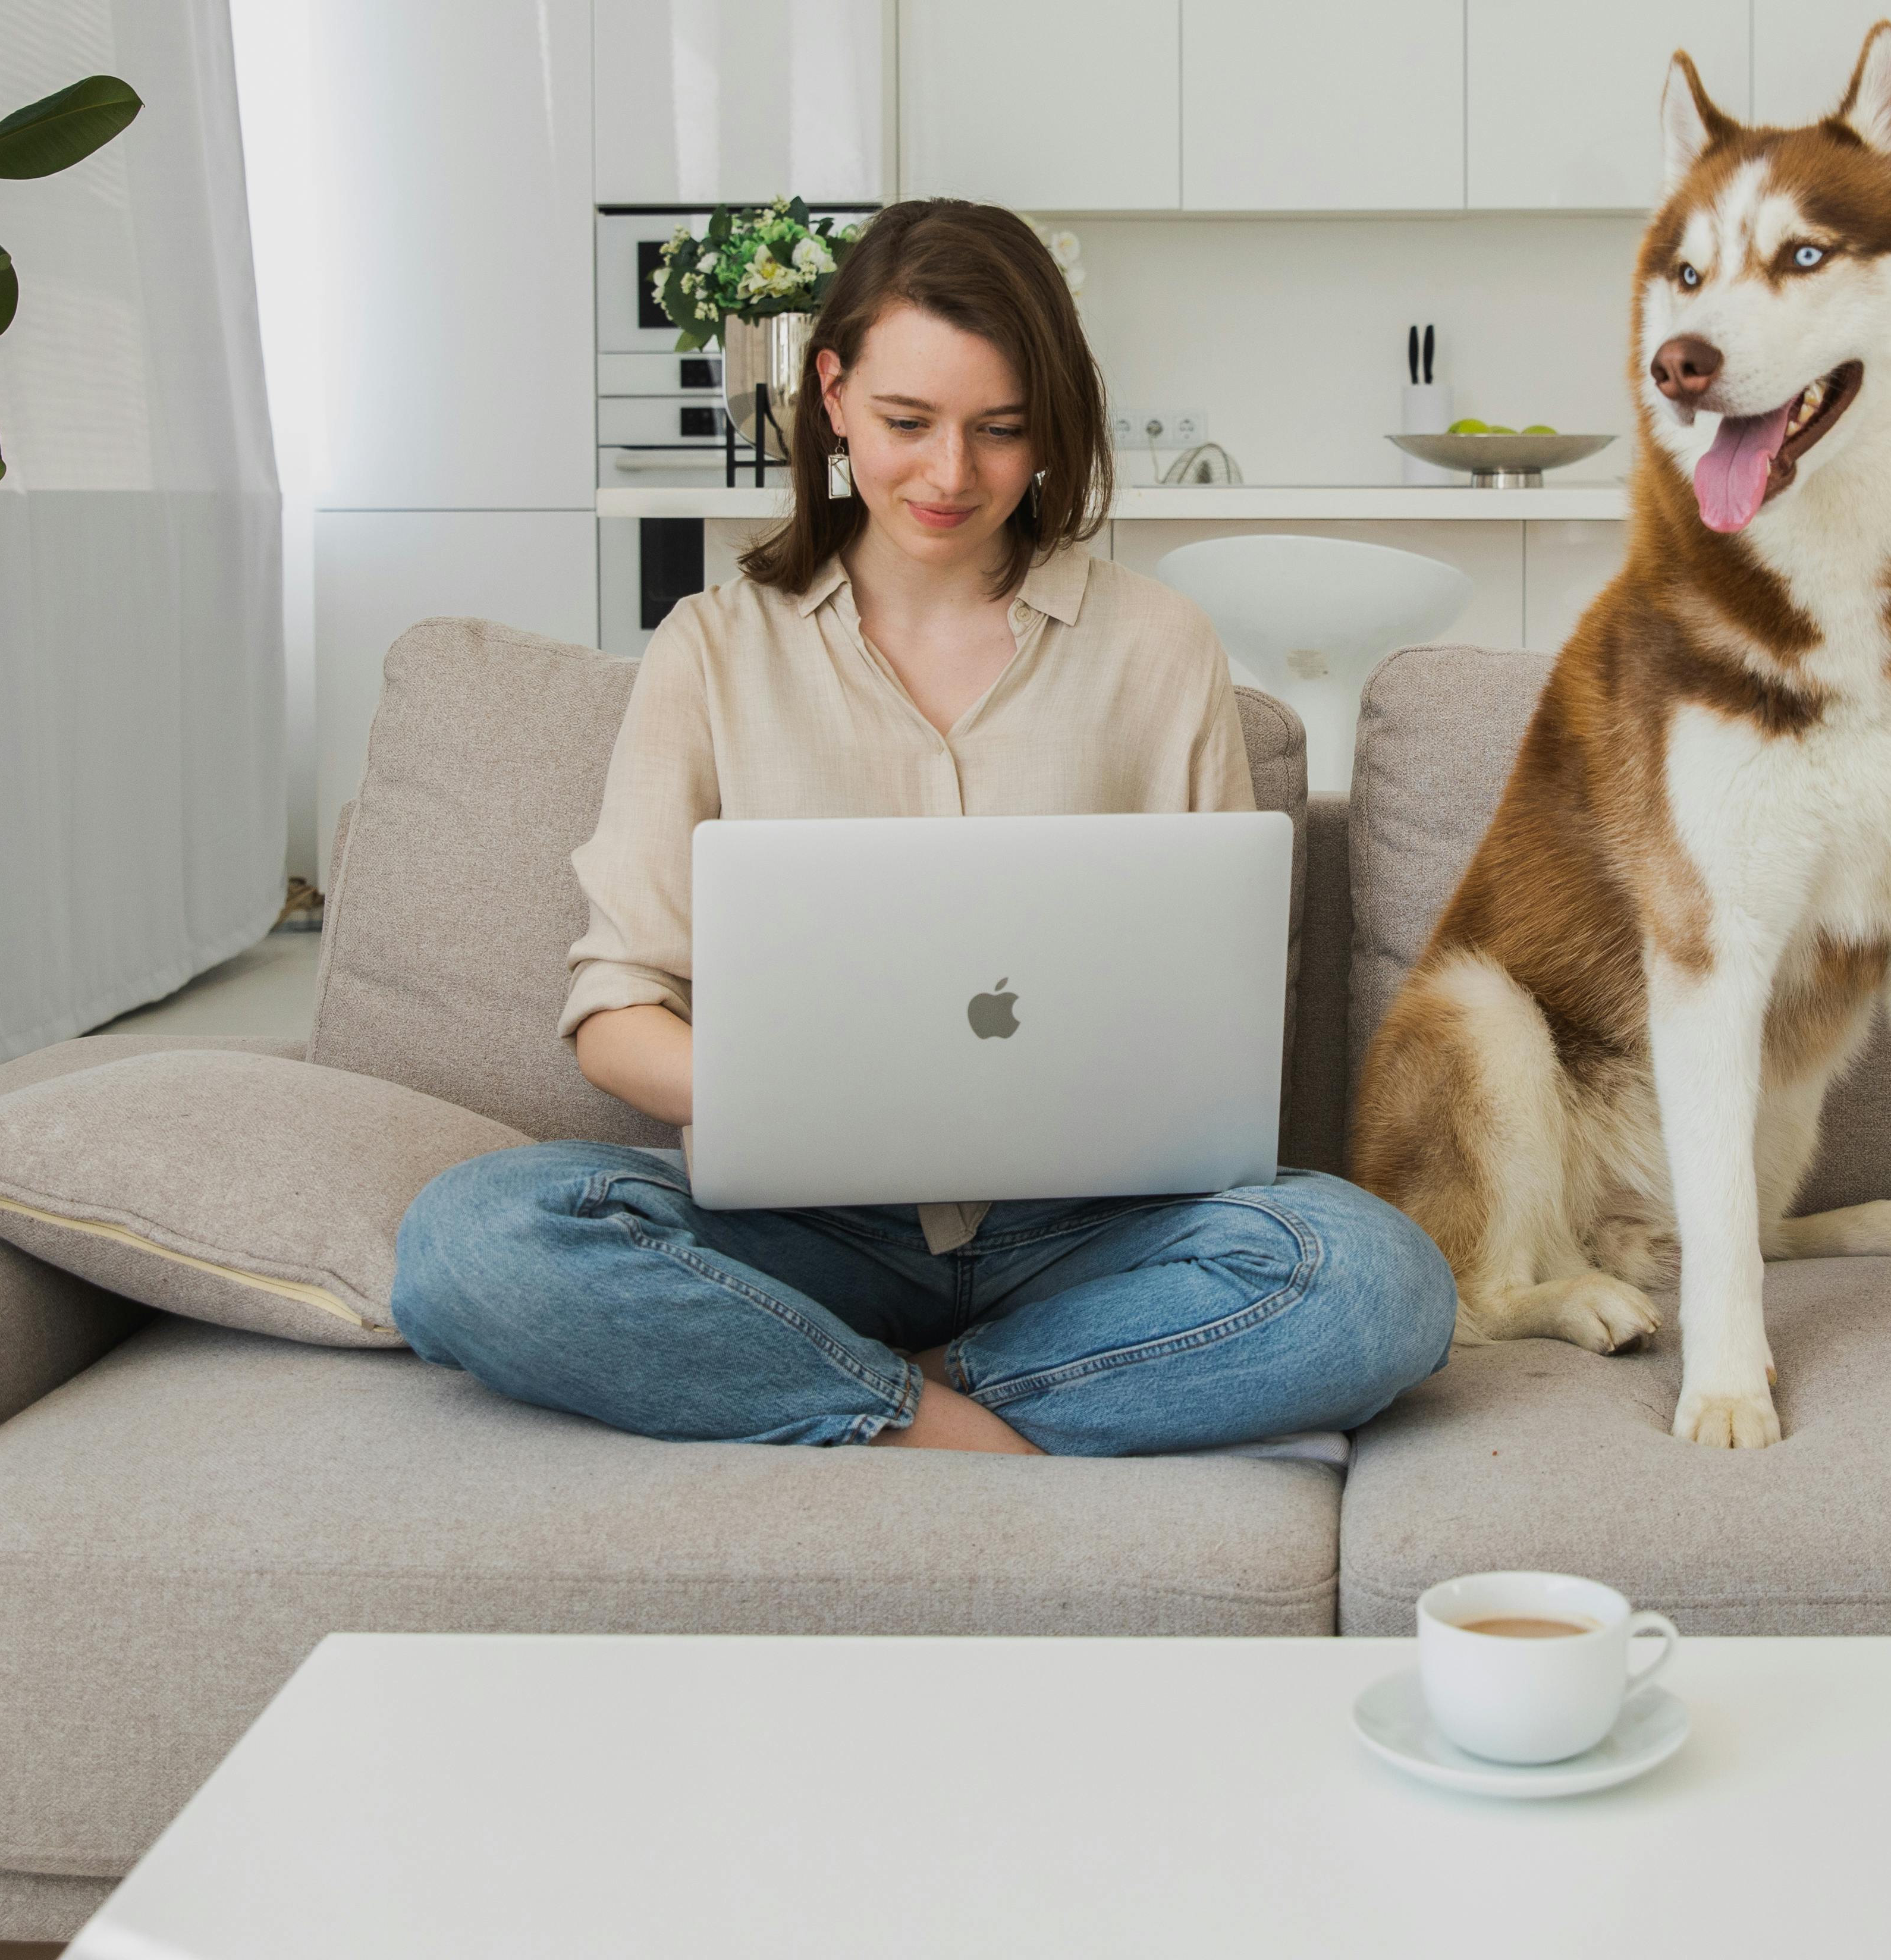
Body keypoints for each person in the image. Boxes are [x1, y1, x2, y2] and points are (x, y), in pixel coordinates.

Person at [390, 200, 1457, 1453]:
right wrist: (801, 1095)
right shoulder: (715, 648)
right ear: (832, 393)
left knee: (1376, 1283)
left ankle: (861, 1380)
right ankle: (960, 1420)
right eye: (908, 423)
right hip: (807, 1224)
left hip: (1091, 1226)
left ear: (1052, 425)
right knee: (472, 1237)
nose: (951, 476)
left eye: (1001, 431)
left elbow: (1214, 1018)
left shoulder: (1160, 648)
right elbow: (617, 1013)